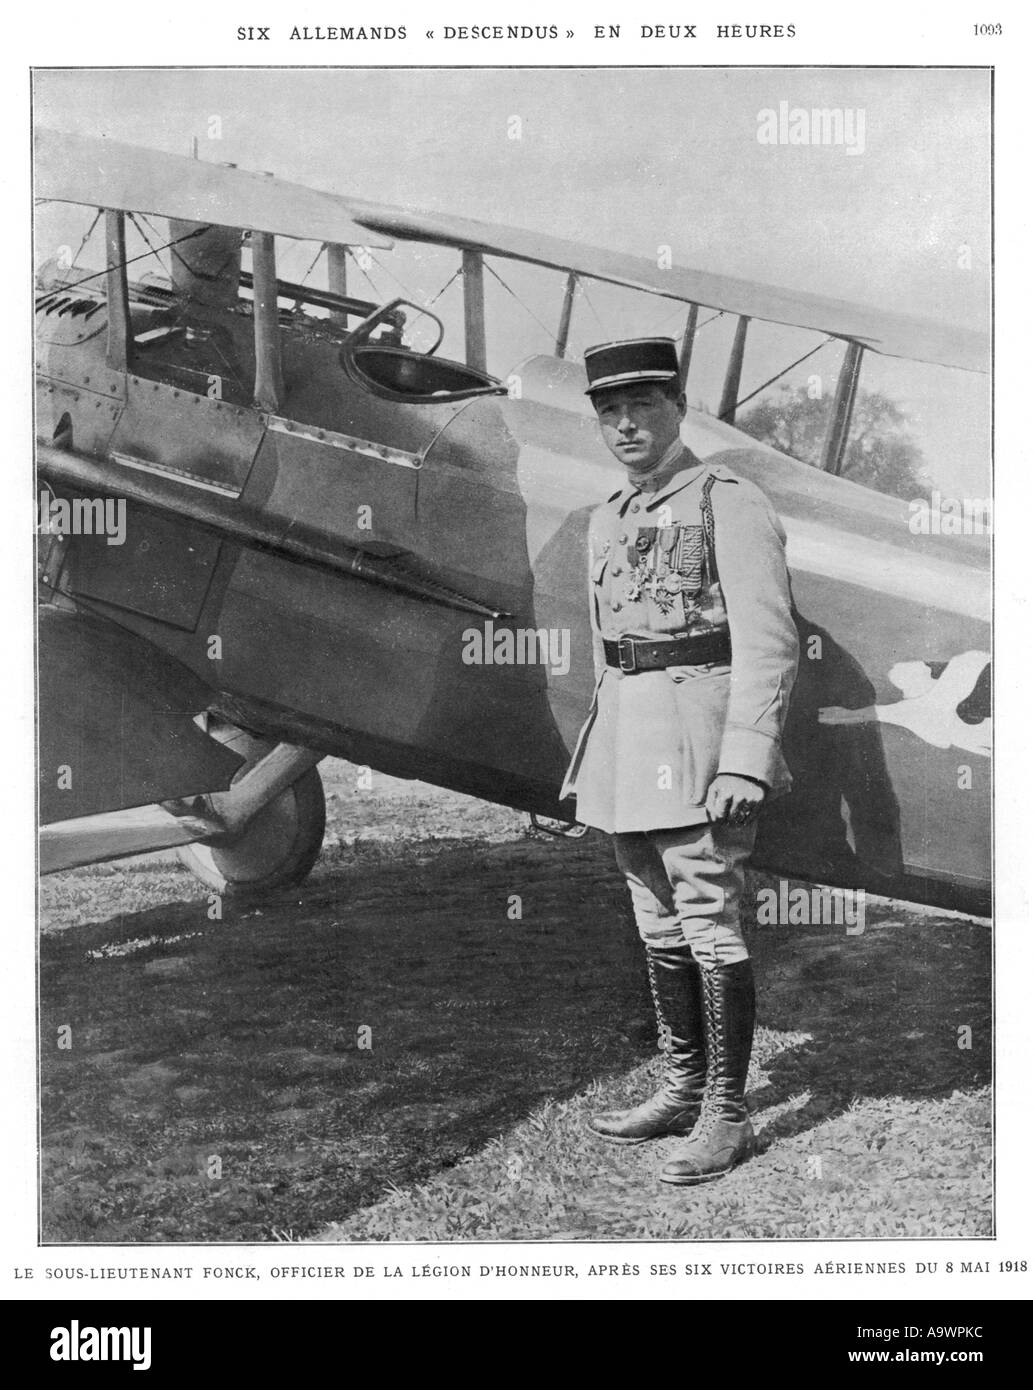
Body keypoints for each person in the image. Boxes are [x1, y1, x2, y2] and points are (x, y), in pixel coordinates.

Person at [560, 337, 799, 1184]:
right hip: (629, 740)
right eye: (609, 413)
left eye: (642, 408)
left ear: (678, 409)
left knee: (707, 917)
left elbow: (768, 645)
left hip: (698, 740)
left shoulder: (727, 501)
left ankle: (726, 1116)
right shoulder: (608, 515)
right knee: (653, 920)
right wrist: (597, 758)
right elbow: (609, 653)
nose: (625, 426)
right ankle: (680, 1087)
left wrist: (744, 759)